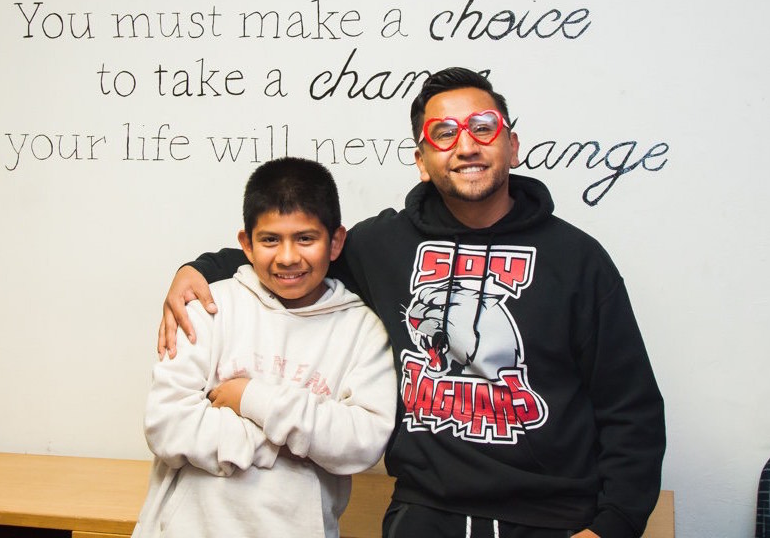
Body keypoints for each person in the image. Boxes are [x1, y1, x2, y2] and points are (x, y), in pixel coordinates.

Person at [159, 68, 665, 538]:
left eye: (482, 127)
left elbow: (631, 407)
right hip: (424, 514)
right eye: (444, 133)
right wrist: (199, 269)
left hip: (552, 518)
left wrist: (612, 526)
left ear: (511, 145)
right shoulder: (385, 245)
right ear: (422, 162)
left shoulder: (578, 260)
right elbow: (296, 253)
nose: (465, 145)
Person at [133, 157, 396, 538]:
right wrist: (287, 441)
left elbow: (361, 442)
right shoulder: (208, 307)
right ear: (247, 244)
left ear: (335, 241)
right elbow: (166, 425)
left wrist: (251, 399)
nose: (288, 257)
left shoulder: (363, 330)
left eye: (305, 238)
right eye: (271, 240)